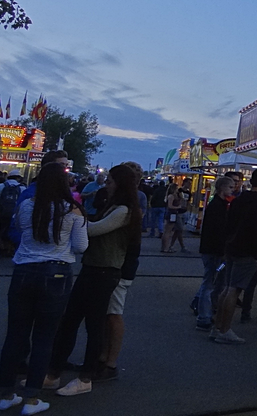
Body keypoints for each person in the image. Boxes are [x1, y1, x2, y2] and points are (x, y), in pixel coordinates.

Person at [0, 162, 88, 413]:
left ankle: (6, 393)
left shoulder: (27, 206)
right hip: (56, 272)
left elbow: (22, 231)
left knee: (16, 333)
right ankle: (32, 398)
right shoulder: (73, 210)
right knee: (45, 337)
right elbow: (81, 246)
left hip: (24, 269)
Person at [47, 164, 141, 396]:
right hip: (94, 268)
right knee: (71, 319)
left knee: (93, 324)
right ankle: (54, 373)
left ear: (120, 184)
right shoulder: (116, 208)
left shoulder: (123, 210)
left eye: (110, 181)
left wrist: (75, 216)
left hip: (105, 271)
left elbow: (94, 230)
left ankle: (85, 377)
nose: (106, 185)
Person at [98, 162, 147, 382]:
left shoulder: (128, 207)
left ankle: (110, 362)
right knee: (108, 314)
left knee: (114, 314)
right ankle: (103, 357)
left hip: (121, 265)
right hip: (120, 264)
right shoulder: (127, 204)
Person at [213, 168, 257, 344]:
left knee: (227, 287)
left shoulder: (238, 200)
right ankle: (225, 330)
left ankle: (217, 327)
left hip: (232, 248)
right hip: (247, 252)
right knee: (234, 289)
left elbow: (228, 224)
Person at [194, 175, 234, 330]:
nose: (232, 190)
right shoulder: (219, 206)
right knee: (210, 282)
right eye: (230, 187)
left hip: (212, 250)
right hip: (215, 251)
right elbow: (218, 232)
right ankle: (203, 316)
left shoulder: (217, 205)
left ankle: (206, 313)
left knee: (213, 282)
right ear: (222, 188)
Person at [163, 186, 188, 253]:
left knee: (169, 231)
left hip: (173, 214)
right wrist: (178, 207)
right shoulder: (171, 196)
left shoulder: (173, 196)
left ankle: (166, 247)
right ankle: (166, 247)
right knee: (168, 231)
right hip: (172, 214)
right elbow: (170, 206)